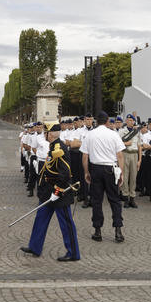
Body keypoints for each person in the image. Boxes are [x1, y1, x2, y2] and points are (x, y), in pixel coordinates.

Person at [20, 123, 80, 261]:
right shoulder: (53, 147)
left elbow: (65, 174)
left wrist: (57, 192)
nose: (44, 135)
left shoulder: (60, 148)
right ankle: (35, 246)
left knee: (66, 224)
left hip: (59, 193)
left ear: (51, 134)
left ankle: (73, 253)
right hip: (48, 191)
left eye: (46, 133)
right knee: (40, 219)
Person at [81, 111, 125, 243]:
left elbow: (85, 156)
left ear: (96, 121)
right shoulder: (113, 134)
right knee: (115, 200)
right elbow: (120, 156)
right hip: (110, 169)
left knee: (96, 201)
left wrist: (86, 172)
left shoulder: (90, 135)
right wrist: (121, 172)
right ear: (107, 122)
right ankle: (118, 230)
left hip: (95, 168)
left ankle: (97, 230)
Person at [118, 114, 141, 208]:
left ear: (134, 121)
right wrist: (126, 143)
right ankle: (126, 198)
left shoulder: (137, 132)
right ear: (126, 121)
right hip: (125, 154)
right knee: (125, 176)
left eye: (132, 120)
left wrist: (140, 160)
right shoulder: (122, 131)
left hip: (134, 154)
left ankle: (132, 198)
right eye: (128, 120)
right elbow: (117, 143)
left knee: (133, 177)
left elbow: (139, 146)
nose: (130, 121)